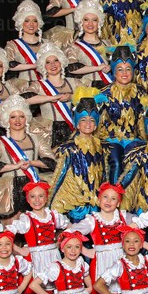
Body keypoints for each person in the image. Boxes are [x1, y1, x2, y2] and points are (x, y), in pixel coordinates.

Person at [66, 182, 136, 294]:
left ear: (118, 203)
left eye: (113, 198)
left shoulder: (124, 217)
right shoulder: (92, 220)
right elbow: (71, 233)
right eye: (105, 197)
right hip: (101, 262)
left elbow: (143, 222)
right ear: (99, 200)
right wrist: (84, 251)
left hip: (121, 259)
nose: (108, 201)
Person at [0, 95, 56, 218]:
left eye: (21, 116)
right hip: (9, 189)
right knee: (12, 223)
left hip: (34, 185)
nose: (17, 120)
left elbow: (52, 162)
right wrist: (15, 166)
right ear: (7, 119)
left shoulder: (36, 139)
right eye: (13, 117)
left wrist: (31, 163)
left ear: (27, 118)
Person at [5, 181, 70, 294]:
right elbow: (6, 235)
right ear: (28, 200)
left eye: (41, 196)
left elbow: (69, 227)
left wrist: (61, 241)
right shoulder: (26, 219)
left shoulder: (53, 215)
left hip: (53, 256)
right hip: (36, 258)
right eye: (33, 197)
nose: (37, 200)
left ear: (46, 198)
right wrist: (19, 250)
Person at [29, 231, 105, 294]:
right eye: (69, 247)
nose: (73, 250)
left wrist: (90, 288)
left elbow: (86, 275)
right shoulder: (56, 267)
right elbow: (33, 285)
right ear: (62, 248)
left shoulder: (81, 262)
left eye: (77, 247)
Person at [49, 91, 109, 222]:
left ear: (96, 125)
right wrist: (52, 201)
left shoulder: (101, 146)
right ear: (77, 124)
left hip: (95, 201)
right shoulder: (70, 148)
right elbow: (60, 174)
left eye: (92, 120)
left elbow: (104, 174)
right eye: (83, 120)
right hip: (76, 202)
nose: (88, 123)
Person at [96, 45, 146, 170]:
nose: (124, 73)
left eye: (128, 69)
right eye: (120, 69)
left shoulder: (140, 92)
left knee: (136, 159)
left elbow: (143, 119)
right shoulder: (103, 94)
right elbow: (94, 121)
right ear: (114, 71)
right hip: (110, 139)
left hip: (133, 139)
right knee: (116, 162)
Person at [21, 42, 79, 149]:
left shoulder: (74, 82)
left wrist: (72, 97)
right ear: (43, 66)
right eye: (48, 62)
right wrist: (51, 98)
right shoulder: (38, 85)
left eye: (56, 60)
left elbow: (90, 97)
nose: (53, 65)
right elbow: (24, 99)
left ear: (61, 62)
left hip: (73, 130)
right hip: (49, 132)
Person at [64, 0, 112, 88]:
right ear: (81, 22)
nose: (90, 24)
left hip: (108, 88)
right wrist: (98, 68)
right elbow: (71, 68)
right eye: (86, 20)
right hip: (86, 89)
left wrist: (111, 66)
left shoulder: (108, 44)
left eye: (94, 20)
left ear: (99, 22)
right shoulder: (74, 46)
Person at [5, 0, 49, 89]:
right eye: (27, 21)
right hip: (24, 87)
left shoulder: (47, 43)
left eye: (34, 21)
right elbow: (8, 65)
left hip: (46, 86)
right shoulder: (13, 45)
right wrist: (35, 66)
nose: (31, 24)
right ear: (21, 23)